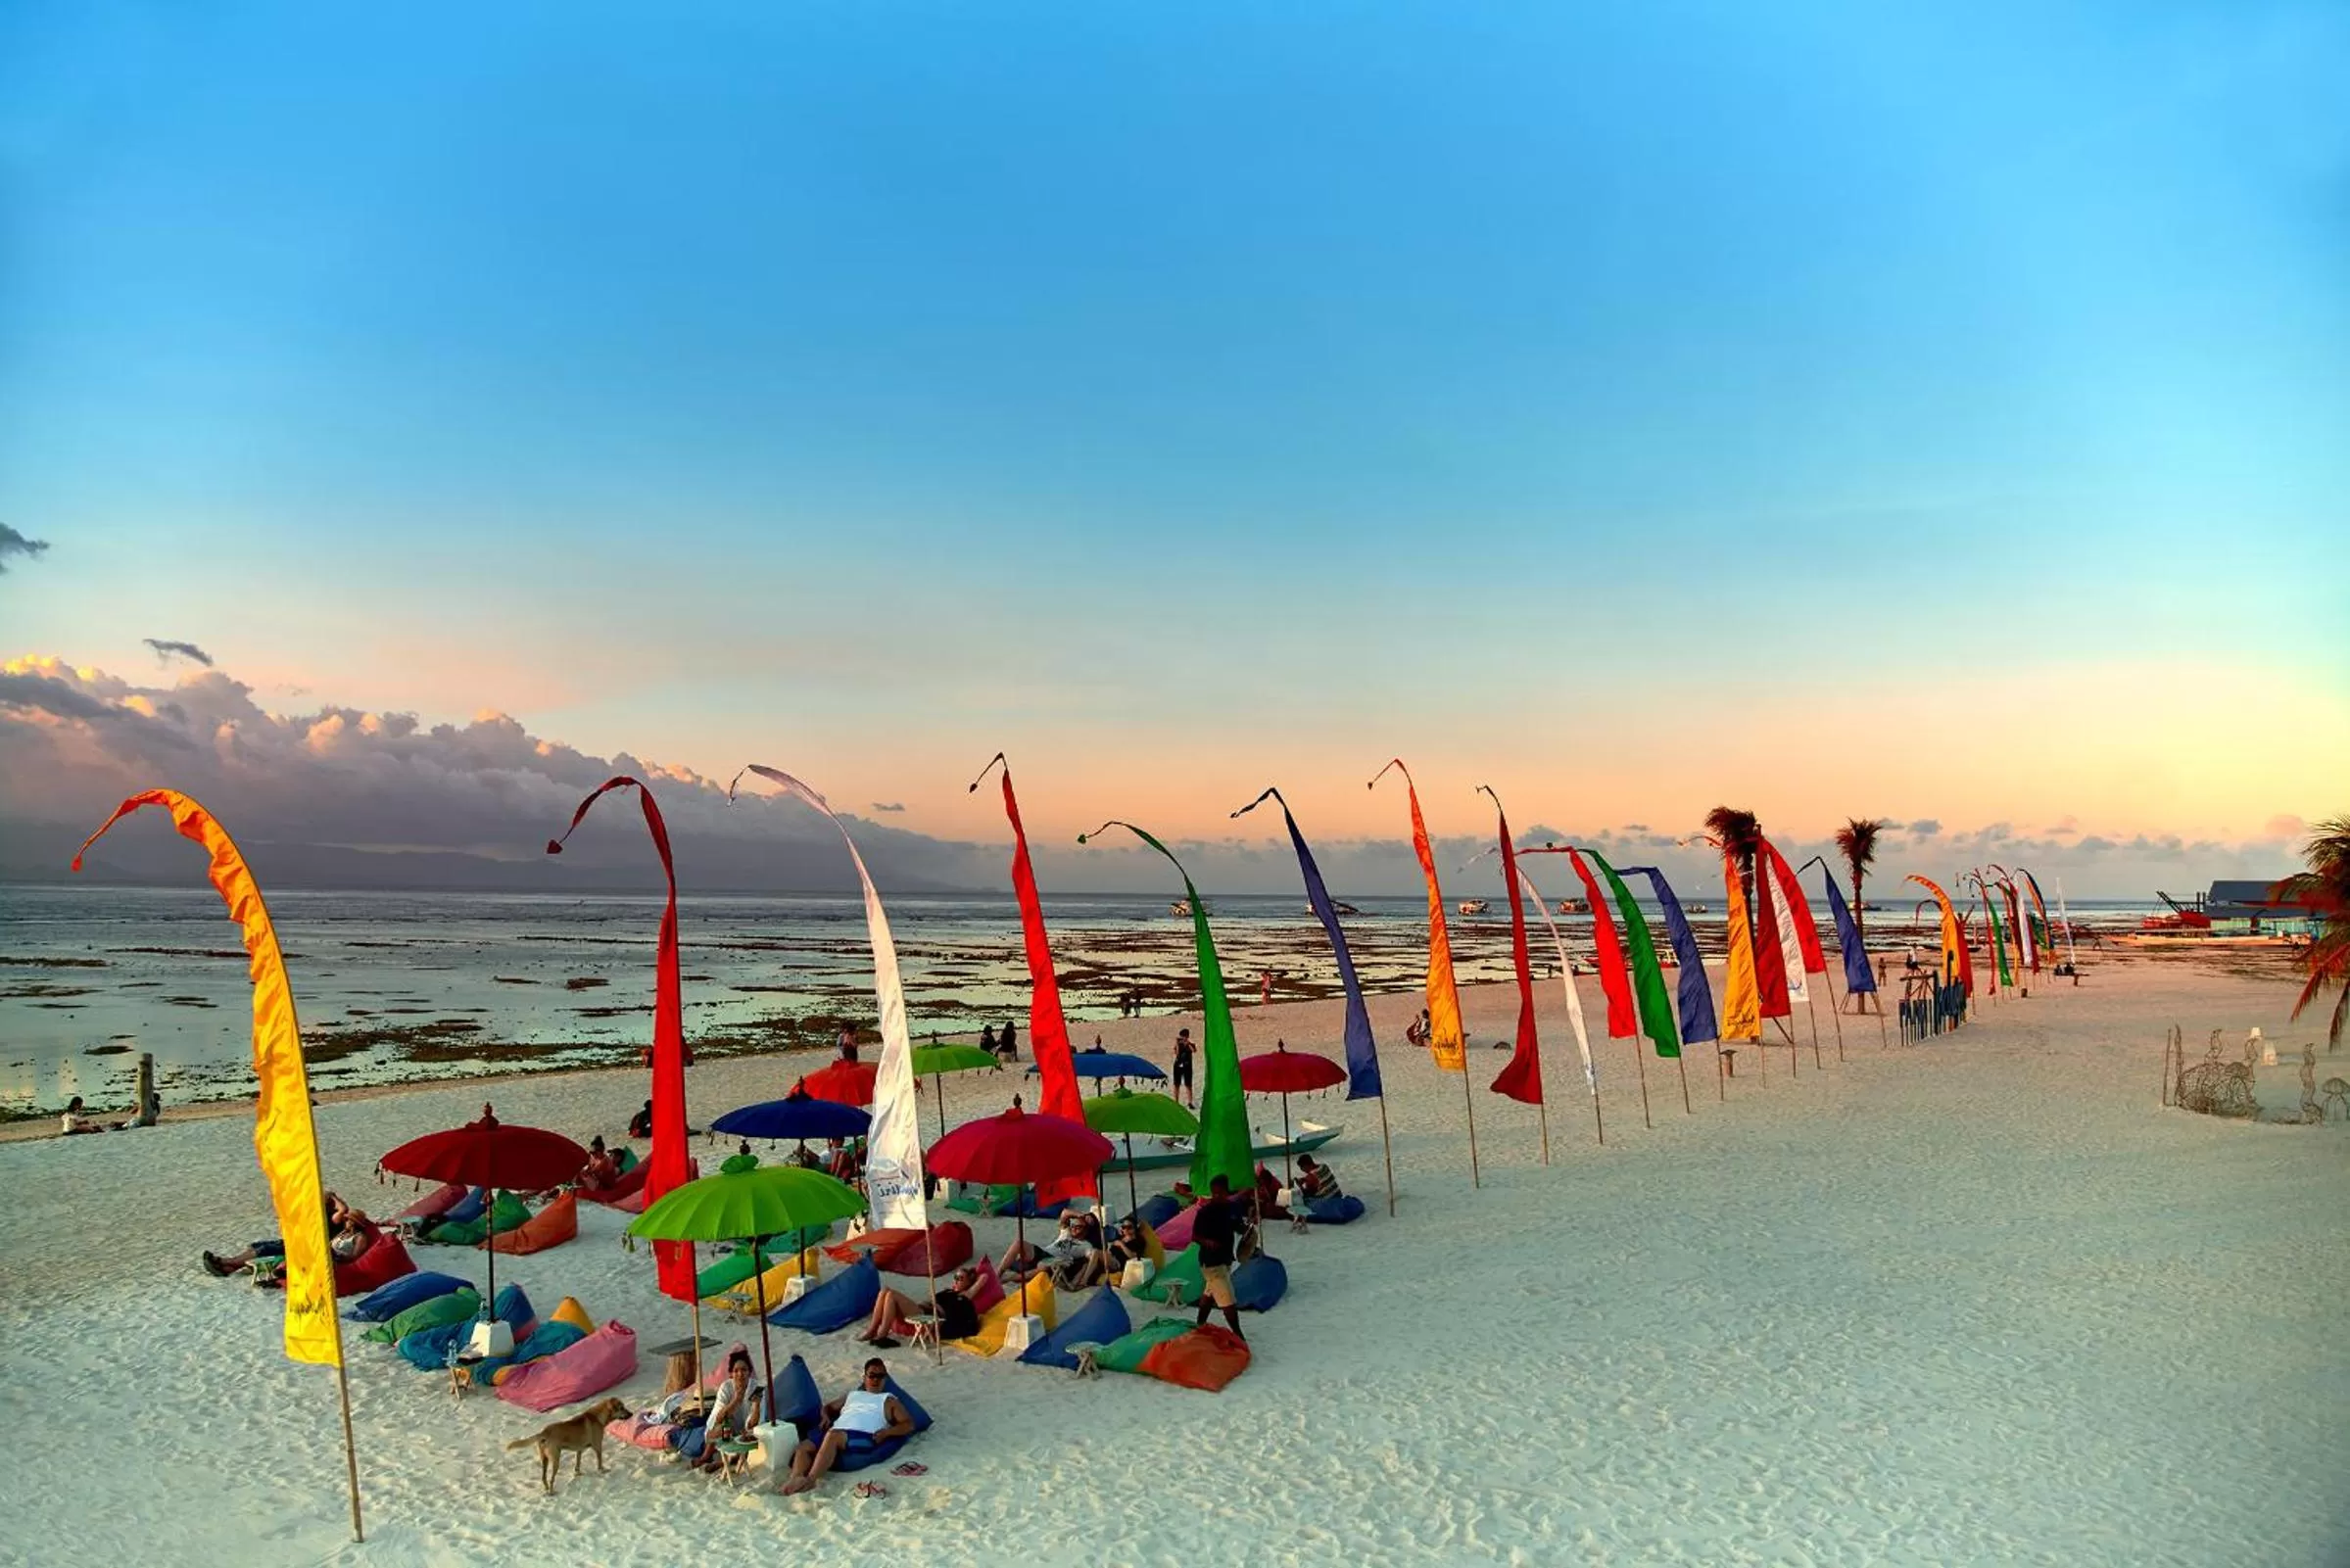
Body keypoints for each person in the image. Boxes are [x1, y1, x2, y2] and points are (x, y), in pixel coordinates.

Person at [782, 1358, 917, 1495]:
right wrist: (825, 1417)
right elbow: (828, 1407)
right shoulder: (853, 1395)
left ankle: (811, 1480)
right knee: (803, 1447)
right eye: (872, 1375)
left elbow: (908, 1424)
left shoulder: (889, 1400)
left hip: (863, 1435)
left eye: (880, 1376)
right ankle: (796, 1477)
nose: (876, 1379)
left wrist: (887, 1433)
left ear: (885, 1379)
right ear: (864, 1377)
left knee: (832, 1436)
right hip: (837, 1430)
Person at [204, 1192, 368, 1276]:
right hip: (302, 1243)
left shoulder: (334, 1219)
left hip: (309, 1248)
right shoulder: (324, 1219)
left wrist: (333, 1196)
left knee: (266, 1249)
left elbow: (343, 1209)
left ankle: (226, 1262)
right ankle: (229, 1267)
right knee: (259, 1245)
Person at [858, 1265, 983, 1347]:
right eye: (955, 1277)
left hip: (928, 1316)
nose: (956, 1280)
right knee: (884, 1291)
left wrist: (974, 1276)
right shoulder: (948, 1291)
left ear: (968, 1282)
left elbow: (983, 1278)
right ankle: (872, 1330)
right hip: (921, 1309)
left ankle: (882, 1335)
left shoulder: (964, 1296)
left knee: (891, 1295)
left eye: (960, 1278)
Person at [675, 1351, 758, 1470]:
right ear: (731, 1374)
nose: (740, 1374)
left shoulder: (756, 1388)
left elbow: (753, 1423)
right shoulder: (726, 1387)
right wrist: (736, 1400)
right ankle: (706, 1456)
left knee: (754, 1436)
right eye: (736, 1371)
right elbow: (719, 1418)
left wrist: (757, 1405)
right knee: (724, 1425)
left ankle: (724, 1462)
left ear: (749, 1372)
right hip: (723, 1429)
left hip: (745, 1431)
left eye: (744, 1370)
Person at [1191, 1175, 1248, 1344]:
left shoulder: (1232, 1208)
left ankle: (1200, 1324)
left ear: (1226, 1192)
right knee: (1227, 1300)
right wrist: (1207, 1242)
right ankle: (1238, 1335)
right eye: (1214, 1193)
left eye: (1220, 1193)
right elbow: (1195, 1236)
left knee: (1209, 1293)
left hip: (1225, 1259)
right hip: (1211, 1262)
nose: (1217, 1196)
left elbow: (1238, 1227)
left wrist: (1247, 1229)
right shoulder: (1205, 1212)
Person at [1171, 1027, 1196, 1108]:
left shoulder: (1191, 1044)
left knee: (1188, 1084)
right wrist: (1177, 1044)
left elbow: (1194, 1050)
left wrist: (1188, 1043)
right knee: (1176, 1084)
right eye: (1181, 1036)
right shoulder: (1179, 1044)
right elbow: (1176, 1053)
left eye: (1183, 1036)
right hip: (1178, 1065)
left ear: (1187, 1036)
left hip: (1187, 1066)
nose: (1182, 1038)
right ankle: (1176, 1101)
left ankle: (1190, 1102)